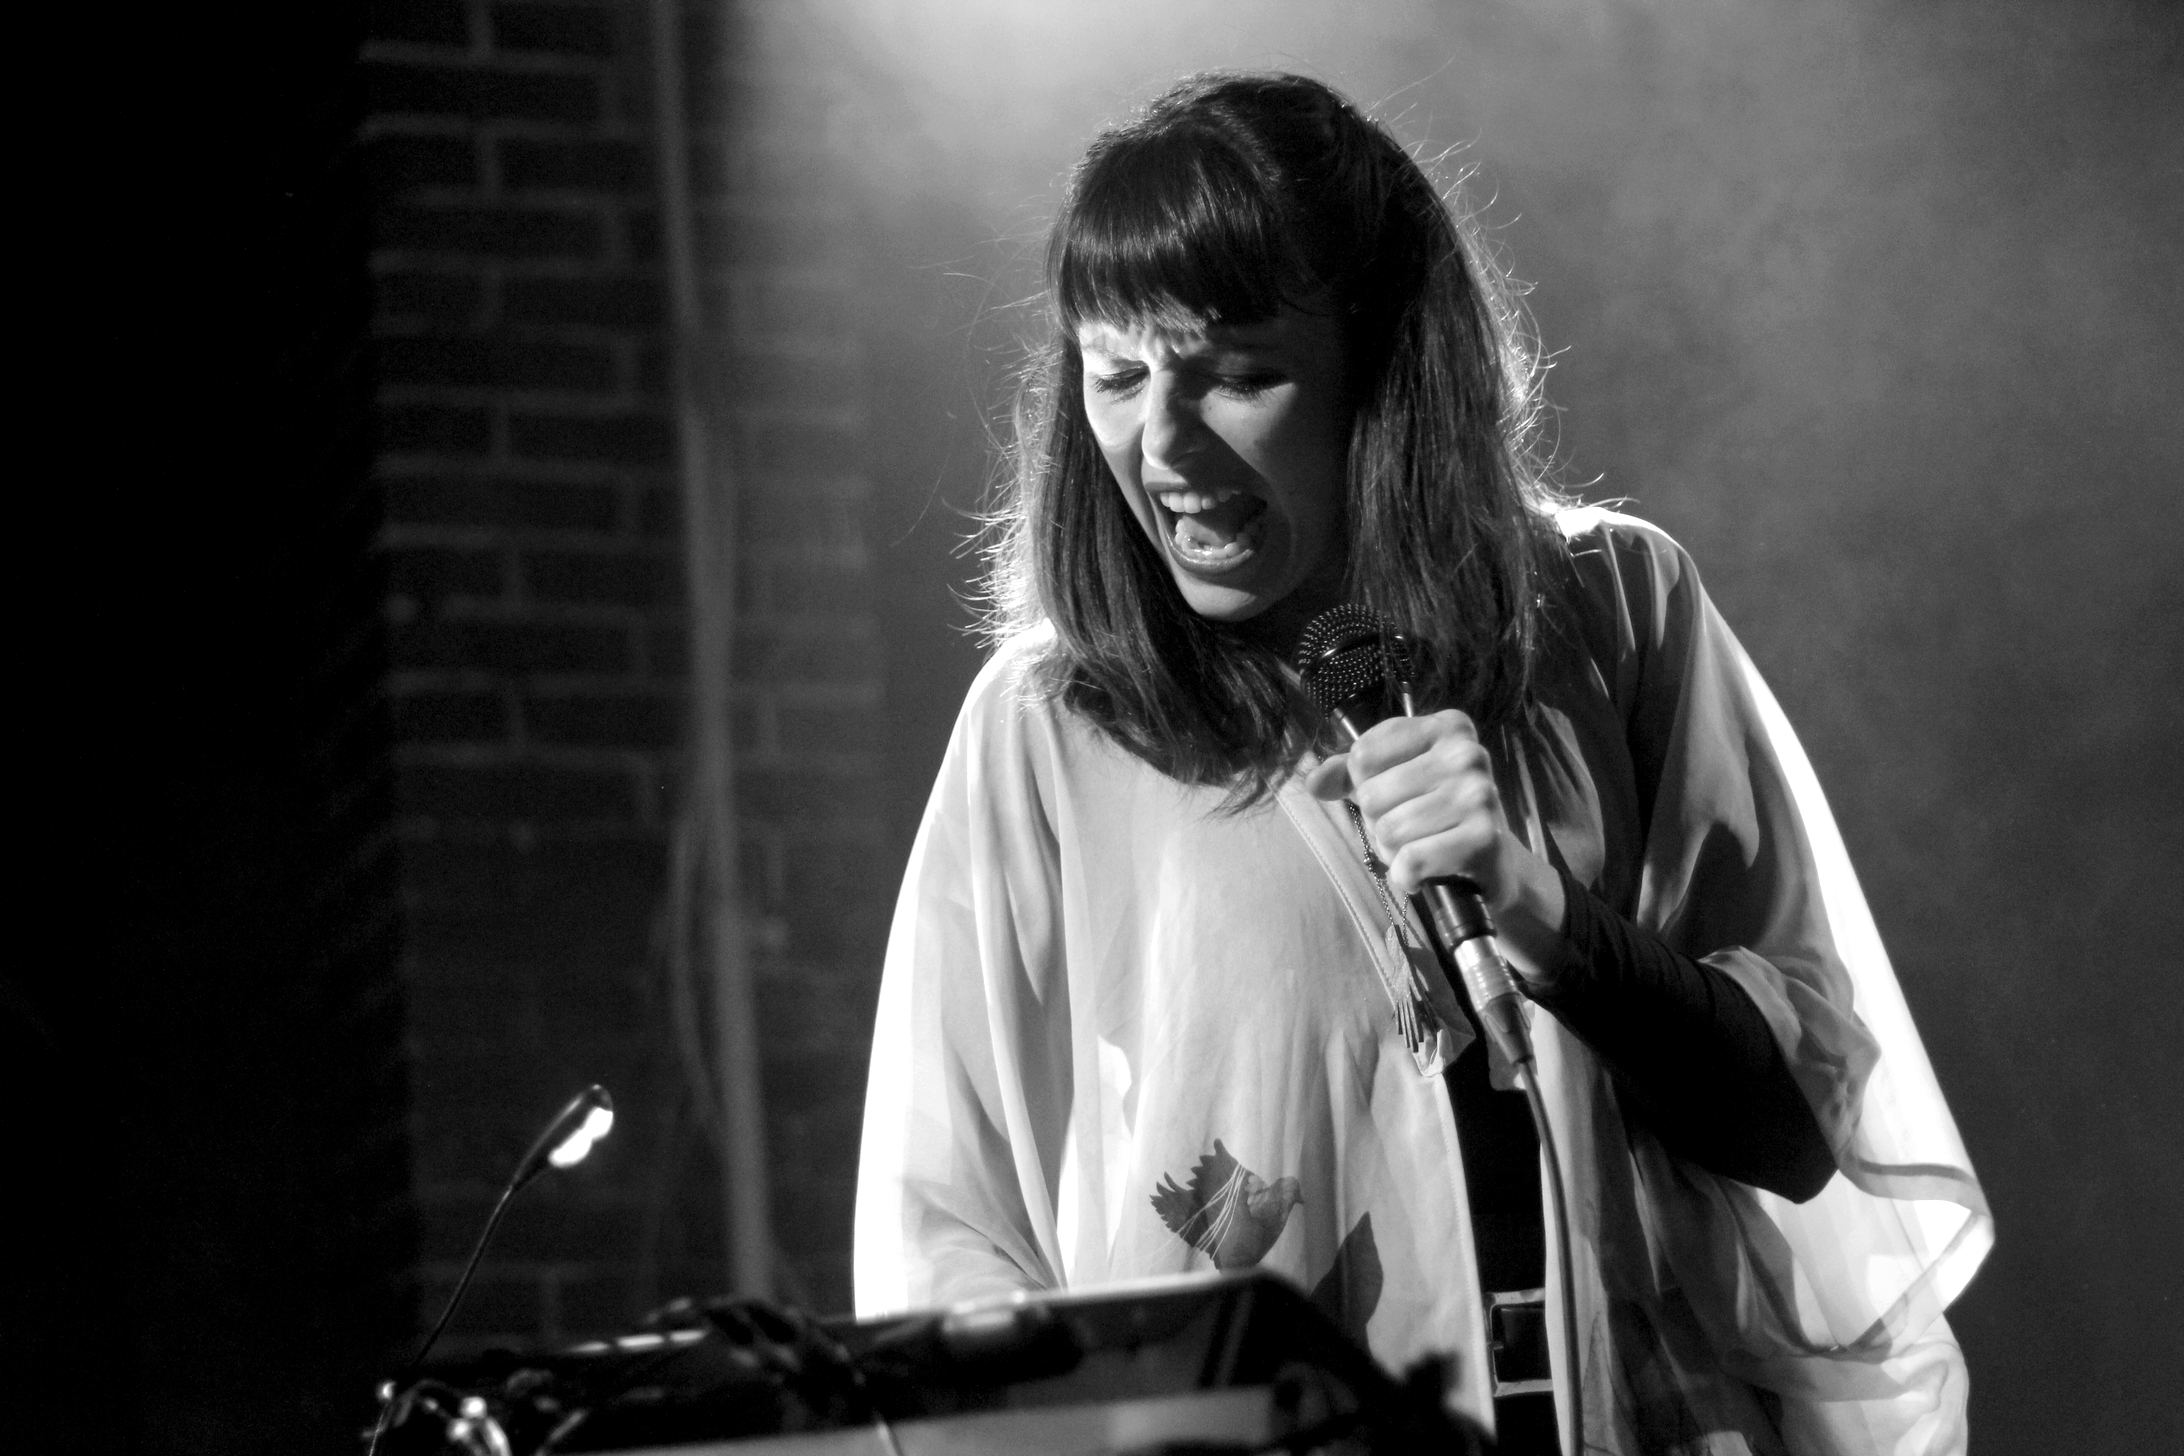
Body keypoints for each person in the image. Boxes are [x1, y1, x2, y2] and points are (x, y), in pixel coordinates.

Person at [853, 72, 1989, 1455]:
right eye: (1118, 372)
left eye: (1237, 373)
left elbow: (1797, 1127)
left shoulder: (1614, 611)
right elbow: (950, 1232)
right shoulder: (1053, 724)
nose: (1163, 442)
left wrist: (1547, 919)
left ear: (1385, 368)